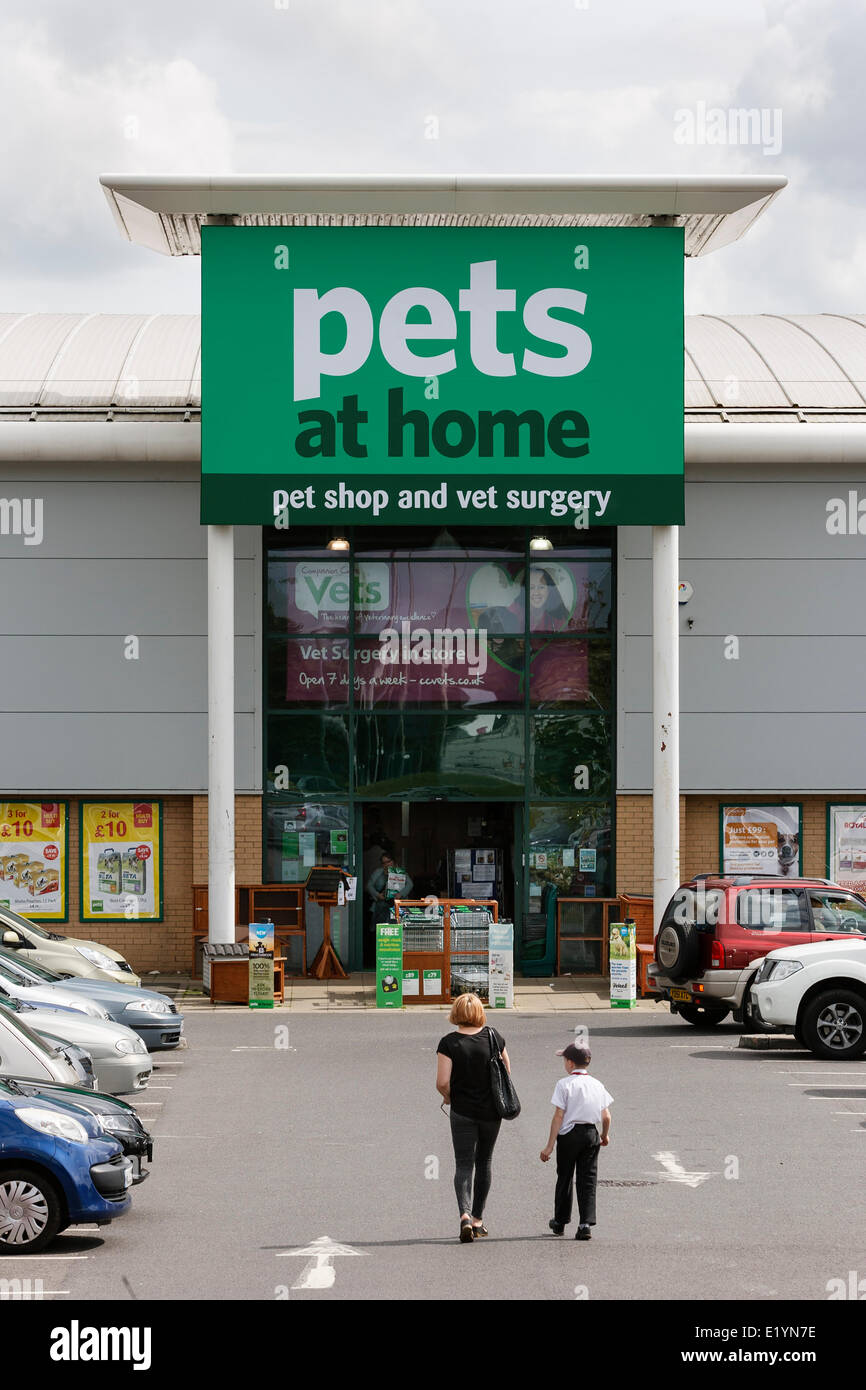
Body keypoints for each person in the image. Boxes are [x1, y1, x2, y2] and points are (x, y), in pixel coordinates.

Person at [436, 992, 512, 1243]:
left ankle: (464, 1216)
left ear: (456, 1013)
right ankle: (478, 1219)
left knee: (464, 1164)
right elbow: (506, 1073)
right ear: (480, 1012)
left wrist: (449, 1097)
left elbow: (442, 1082)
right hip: (491, 1112)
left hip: (462, 1112)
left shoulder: (448, 1043)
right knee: (485, 1161)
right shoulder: (494, 1037)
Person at [540, 1042, 612, 1240]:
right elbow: (606, 1116)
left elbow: (558, 1116)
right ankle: (585, 1223)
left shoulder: (564, 1084)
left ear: (570, 1063)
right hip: (591, 1133)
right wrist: (604, 1135)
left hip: (569, 1135)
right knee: (587, 1178)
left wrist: (549, 1145)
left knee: (565, 1176)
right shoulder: (597, 1085)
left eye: (564, 1060)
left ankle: (560, 1221)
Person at [529, 565, 570, 631]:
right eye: (531, 587)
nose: (536, 592)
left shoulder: (559, 617)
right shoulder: (515, 613)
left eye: (541, 587)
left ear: (549, 590)